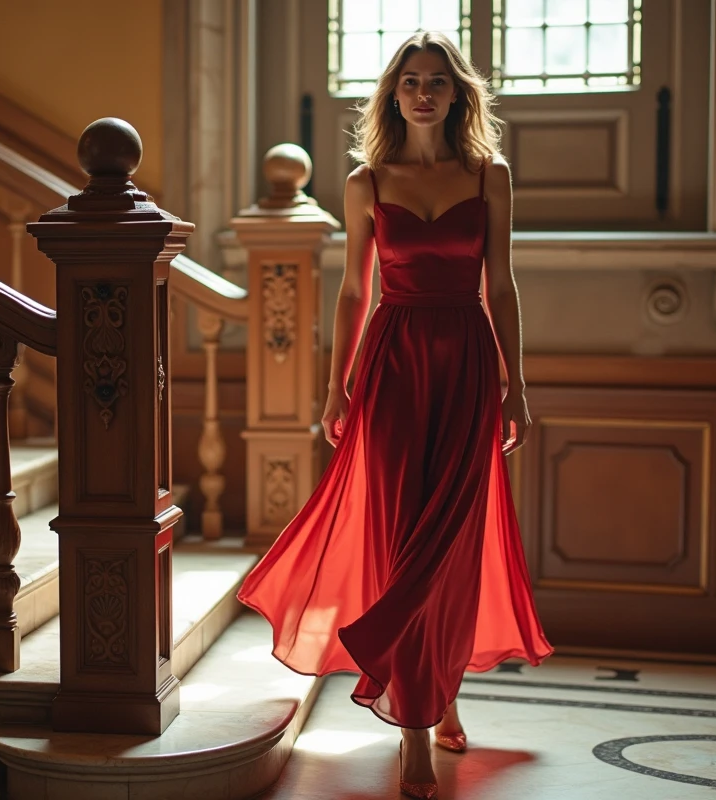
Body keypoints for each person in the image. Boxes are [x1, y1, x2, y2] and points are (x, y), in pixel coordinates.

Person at [236, 30, 554, 799]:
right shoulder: (365, 179)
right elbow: (354, 291)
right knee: (404, 538)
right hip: (393, 365)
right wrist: (336, 385)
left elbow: (500, 286)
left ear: (456, 94)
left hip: (468, 362)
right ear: (393, 94)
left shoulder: (491, 175)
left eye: (435, 81)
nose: (422, 93)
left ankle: (431, 690)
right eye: (409, 81)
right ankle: (417, 725)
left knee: (450, 543)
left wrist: (515, 383)